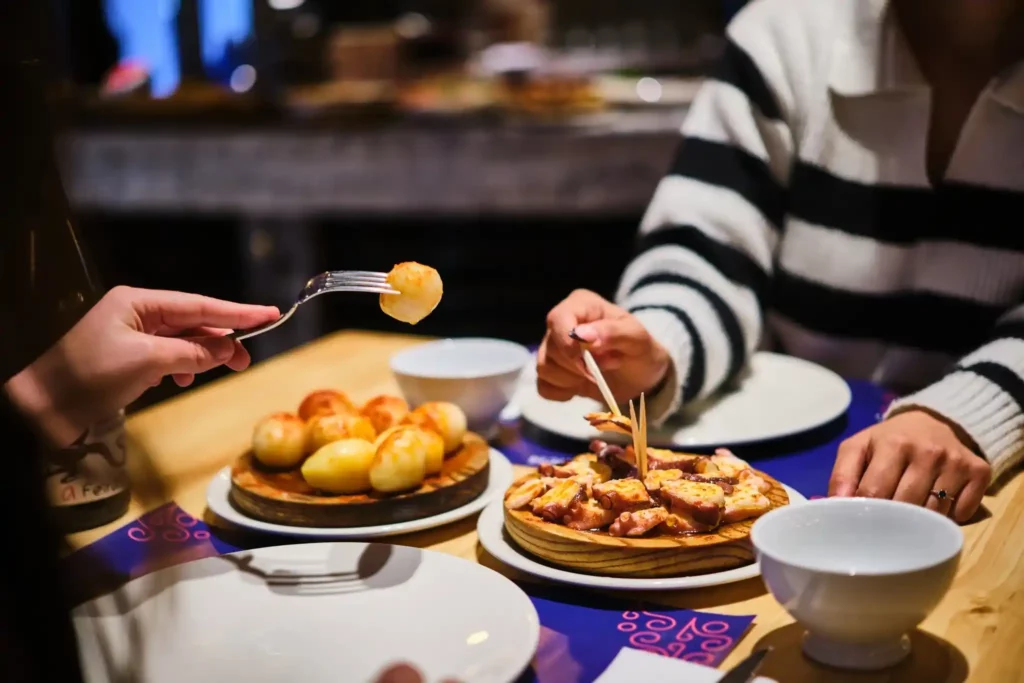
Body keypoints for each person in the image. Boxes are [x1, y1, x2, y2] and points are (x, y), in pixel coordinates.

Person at [537, 0, 1024, 523]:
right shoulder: (783, 33)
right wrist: (657, 347)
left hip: (989, 496)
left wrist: (962, 415)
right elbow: (708, 250)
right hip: (785, 471)